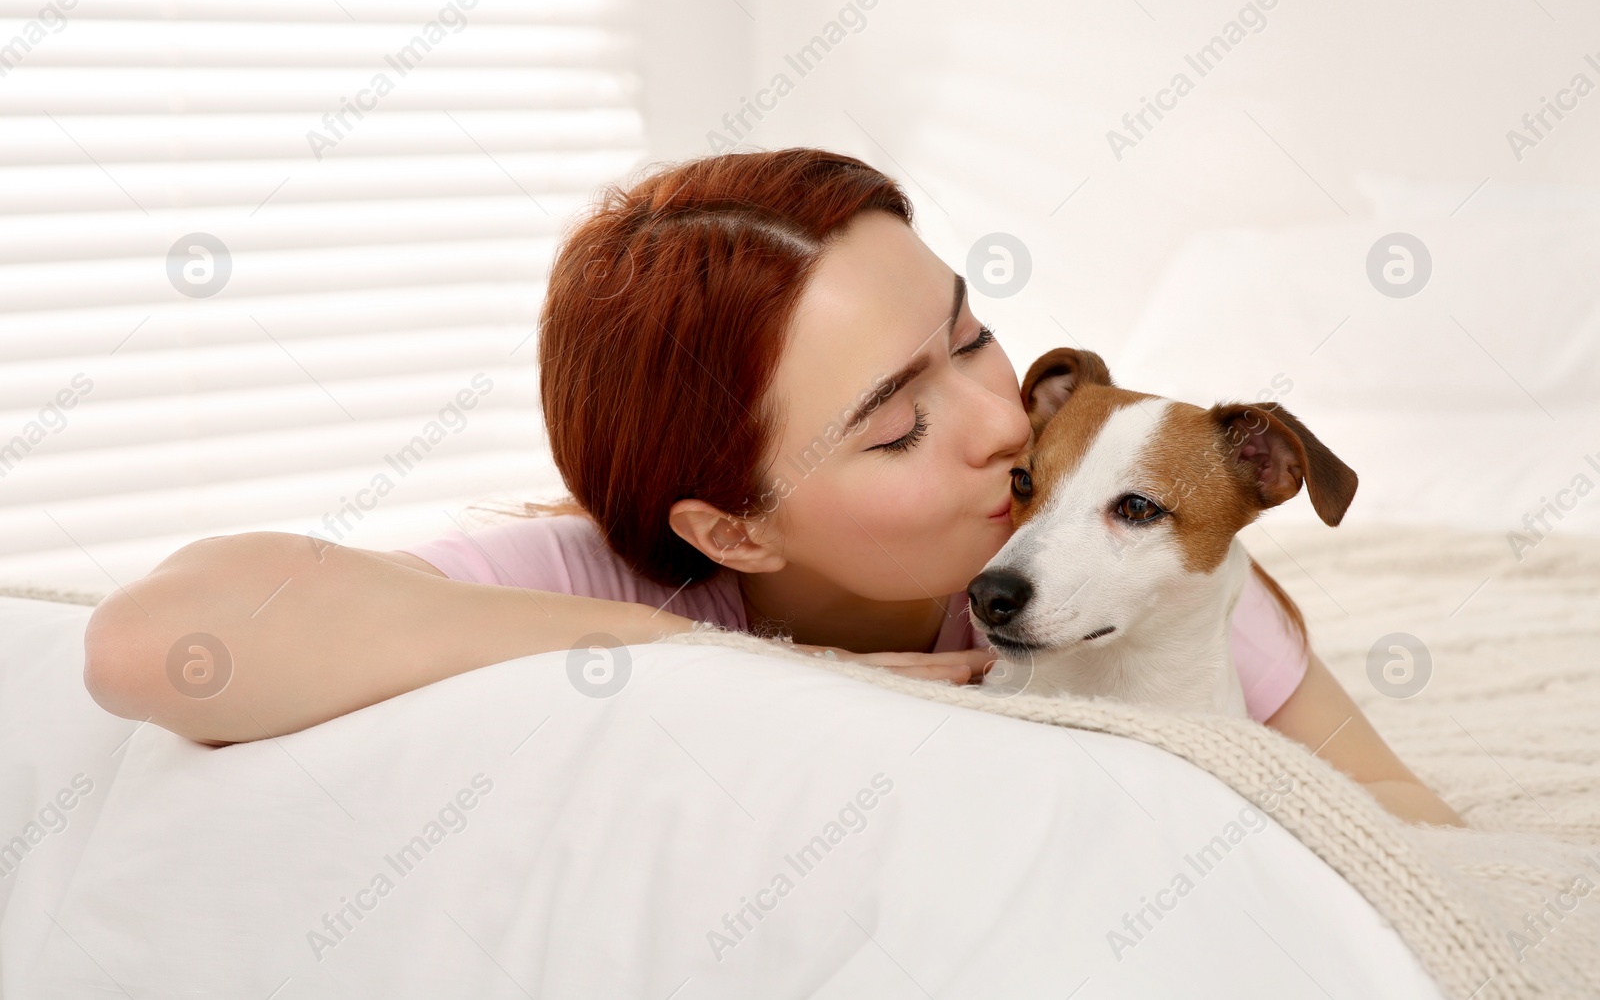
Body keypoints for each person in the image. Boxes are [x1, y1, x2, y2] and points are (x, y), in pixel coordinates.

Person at [81, 148, 1462, 827]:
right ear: (727, 528)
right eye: (893, 422)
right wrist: (703, 653)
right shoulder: (602, 578)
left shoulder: (1142, 583)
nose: (998, 423)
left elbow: (1405, 825)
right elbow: (152, 641)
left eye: (970, 333)